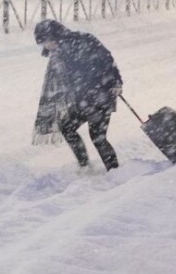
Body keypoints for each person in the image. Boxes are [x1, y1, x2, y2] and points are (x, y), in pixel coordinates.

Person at [33, 19, 123, 171]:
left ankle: (114, 170)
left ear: (55, 35)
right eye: (42, 44)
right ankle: (84, 165)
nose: (46, 46)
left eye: (46, 41)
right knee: (66, 127)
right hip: (81, 100)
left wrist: (116, 82)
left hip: (100, 96)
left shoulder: (84, 40)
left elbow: (107, 59)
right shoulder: (58, 52)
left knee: (97, 137)